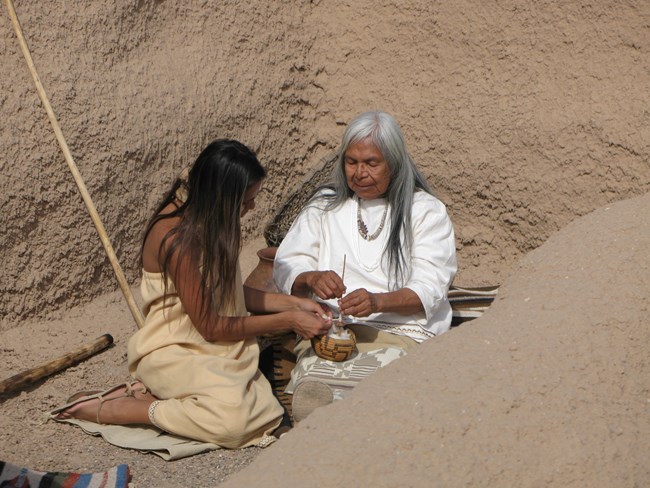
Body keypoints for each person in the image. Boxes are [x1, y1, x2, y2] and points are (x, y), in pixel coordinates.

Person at [52, 139, 332, 448]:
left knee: (261, 404)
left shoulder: (212, 218)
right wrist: (289, 319)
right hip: (173, 348)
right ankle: (129, 409)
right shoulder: (177, 240)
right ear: (222, 197)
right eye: (245, 201)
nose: (251, 208)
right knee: (235, 421)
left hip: (211, 345)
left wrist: (295, 303)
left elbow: (229, 295)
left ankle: (171, 395)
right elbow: (211, 327)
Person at [273, 111, 457, 421]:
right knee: (314, 395)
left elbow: (431, 286)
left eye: (372, 163)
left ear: (394, 164)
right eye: (351, 162)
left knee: (379, 391)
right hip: (332, 331)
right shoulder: (324, 205)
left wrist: (377, 302)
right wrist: (311, 278)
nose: (359, 173)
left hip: (400, 332)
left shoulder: (425, 211)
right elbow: (287, 264)